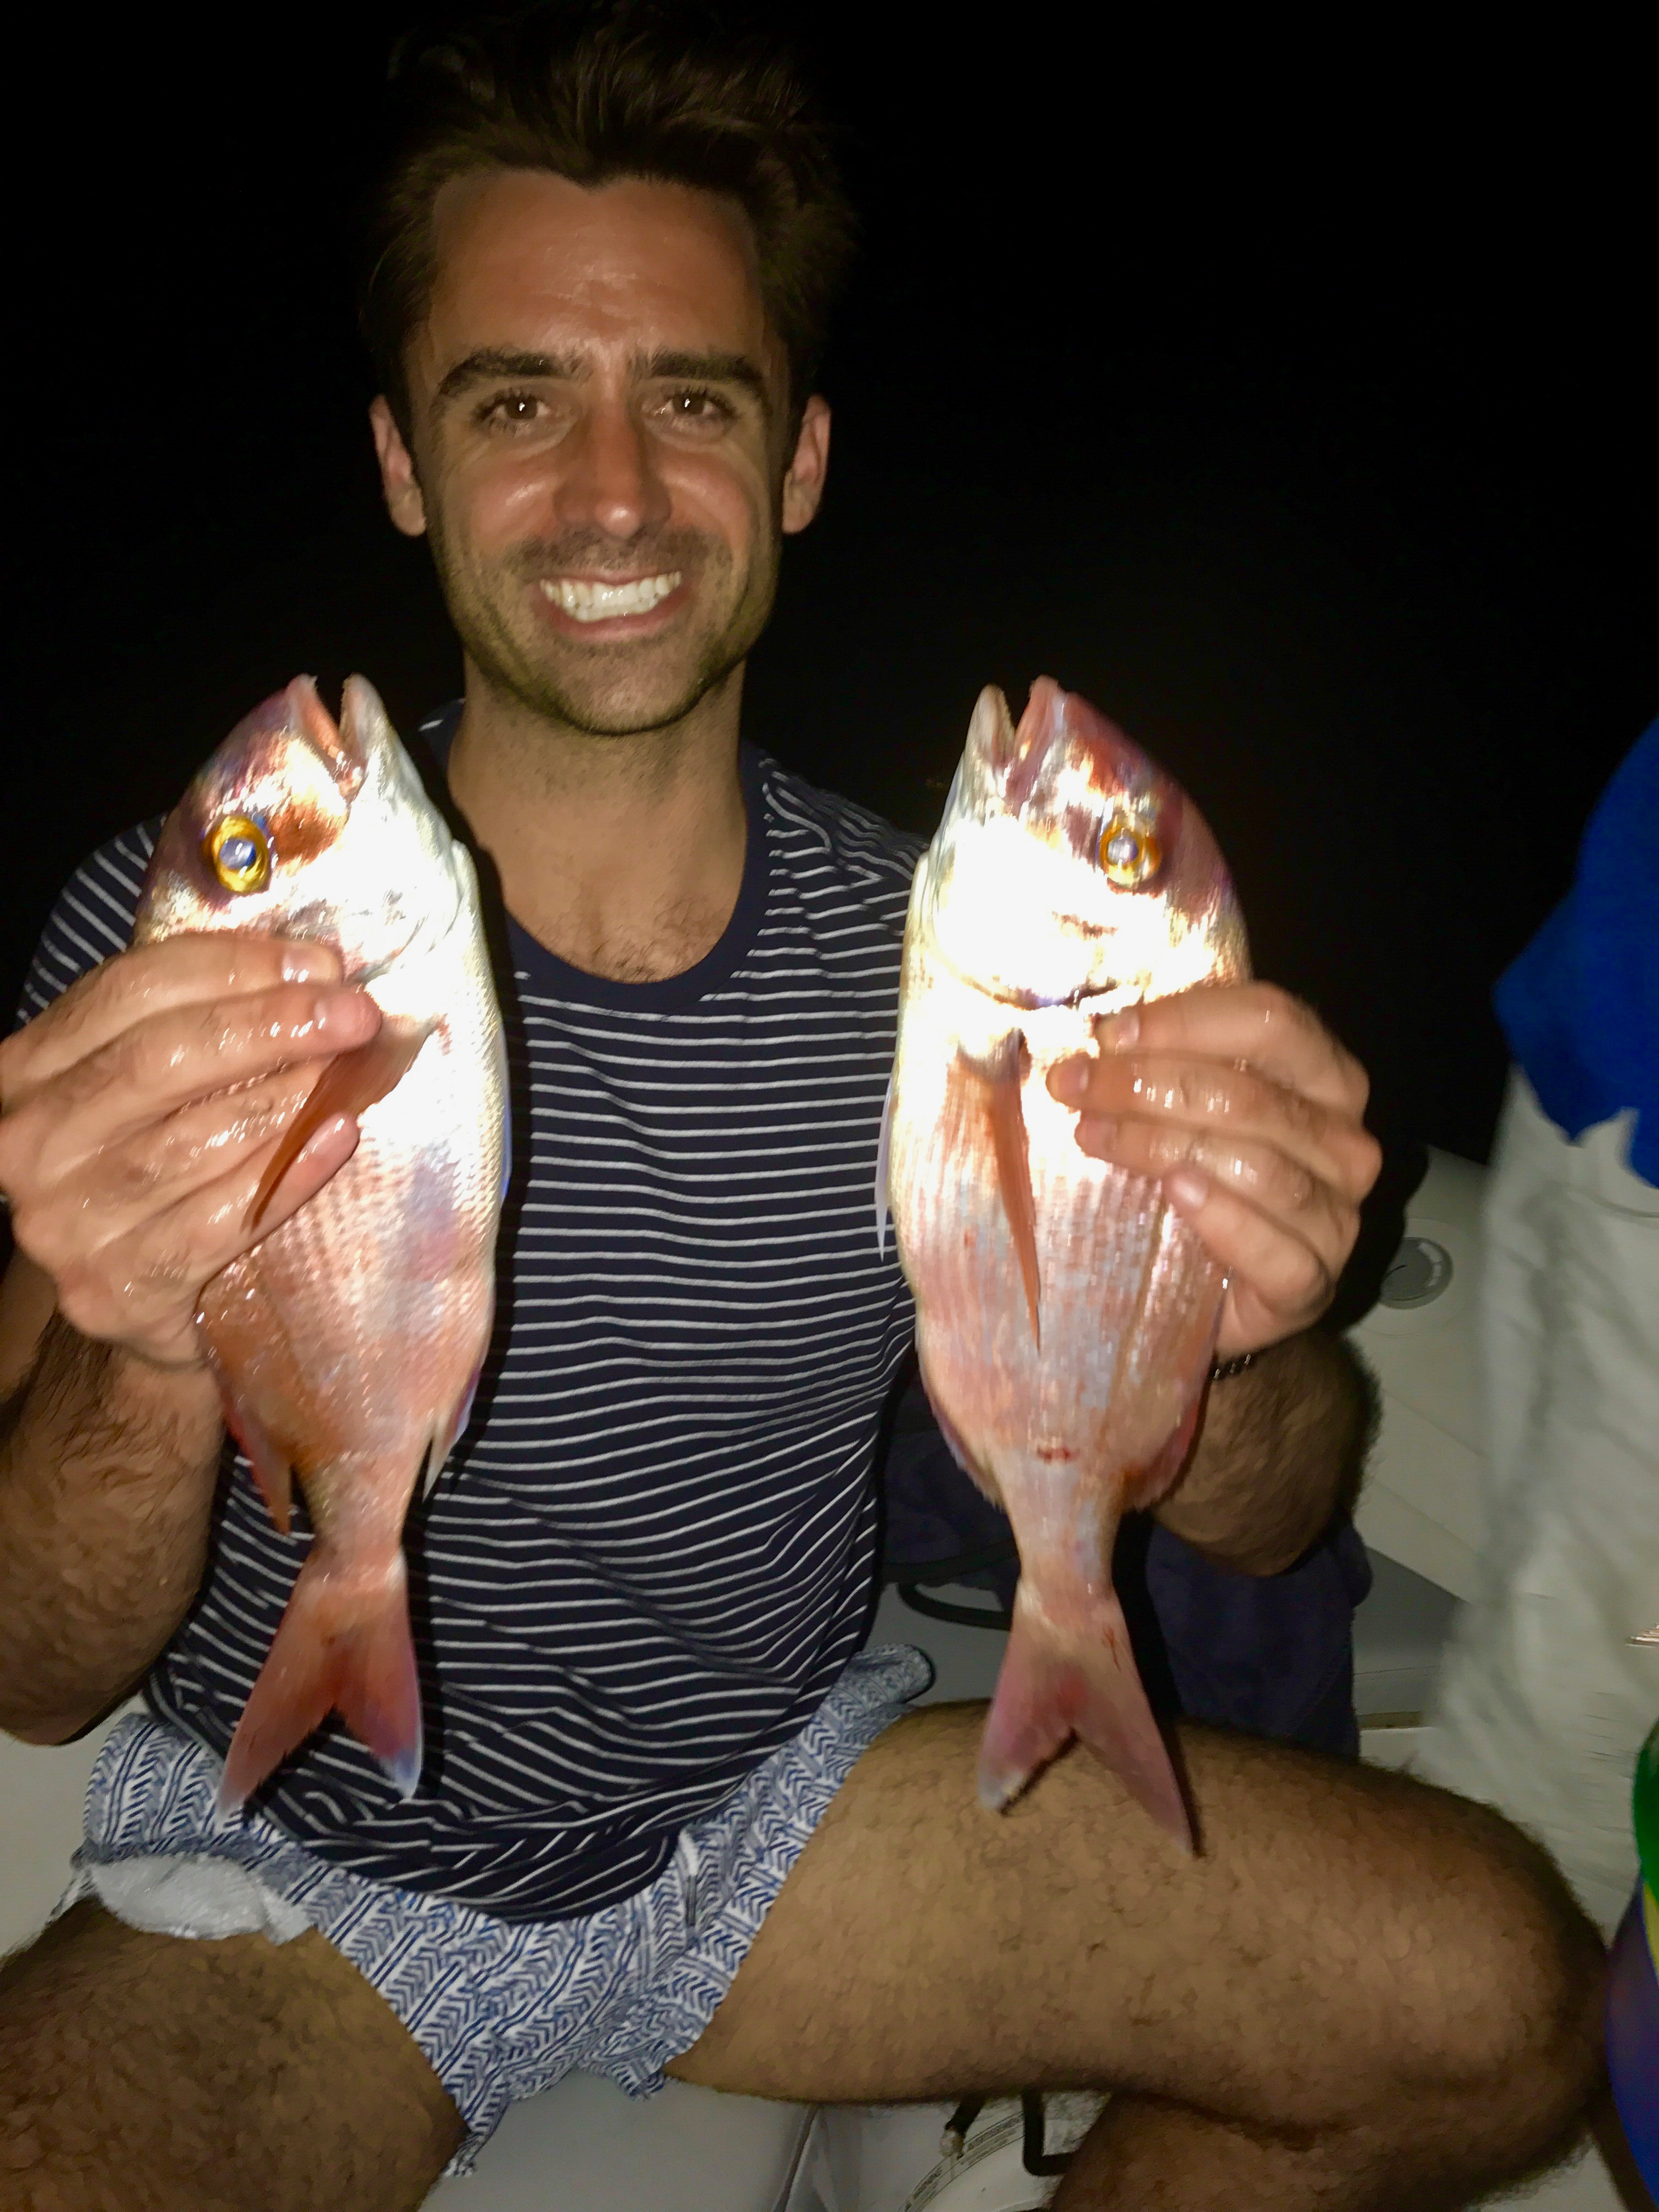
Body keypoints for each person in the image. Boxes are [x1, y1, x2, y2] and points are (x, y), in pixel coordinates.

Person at [0, 10, 1604, 2208]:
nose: (612, 493)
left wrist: (1225, 1329)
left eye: (693, 398)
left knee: (1506, 2005)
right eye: (515, 403)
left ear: (802, 461)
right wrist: (140, 1345)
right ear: (402, 464)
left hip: (780, 1827)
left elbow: (1273, 1510)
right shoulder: (199, 938)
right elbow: (31, 1668)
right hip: (309, 1880)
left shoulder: (968, 957)